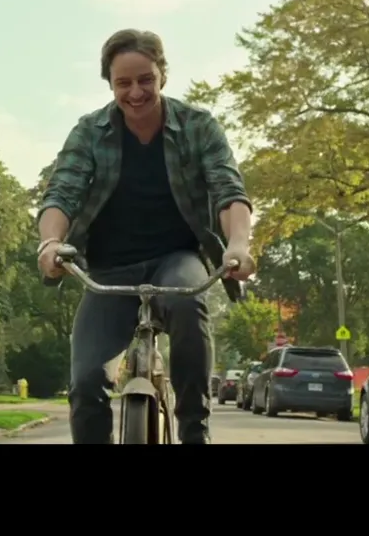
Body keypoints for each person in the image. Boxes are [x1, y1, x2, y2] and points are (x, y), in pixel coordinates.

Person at [37, 28, 256, 444]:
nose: (135, 92)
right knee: (85, 382)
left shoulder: (198, 126)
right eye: (123, 82)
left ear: (162, 76)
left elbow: (228, 191)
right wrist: (50, 243)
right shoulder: (89, 132)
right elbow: (61, 194)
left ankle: (195, 430)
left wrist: (238, 245)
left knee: (188, 303)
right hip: (109, 269)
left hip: (176, 258)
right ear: (109, 83)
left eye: (145, 80)